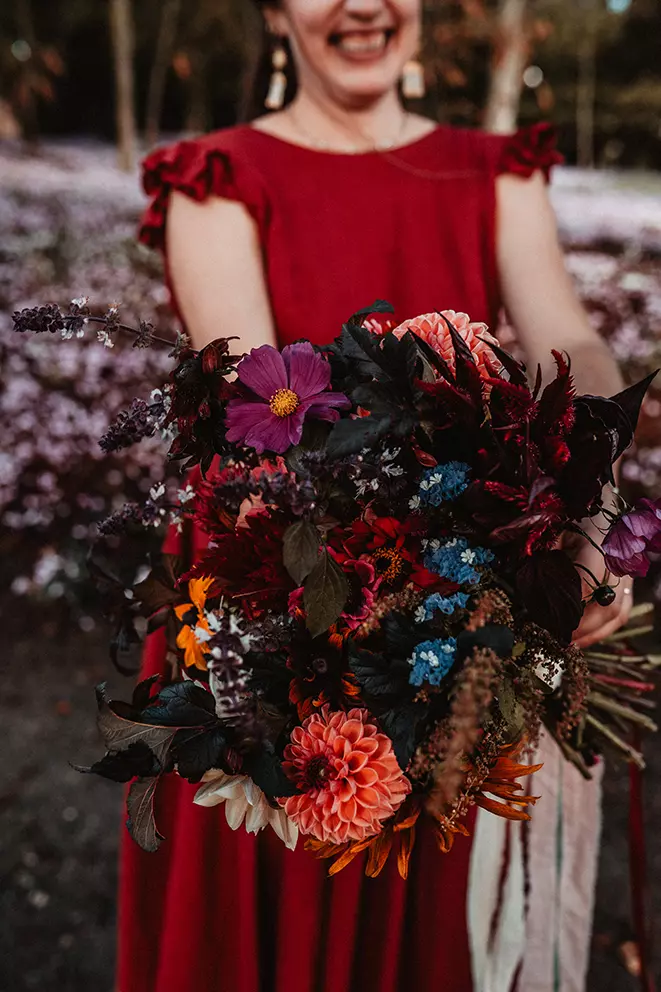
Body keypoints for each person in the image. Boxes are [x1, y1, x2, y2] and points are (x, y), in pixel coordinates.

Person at [118, 2, 632, 990]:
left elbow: (574, 342)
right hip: (277, 610)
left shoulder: (495, 172)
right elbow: (246, 409)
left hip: (460, 618)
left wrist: (584, 517)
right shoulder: (219, 175)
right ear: (273, 10)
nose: (361, 4)